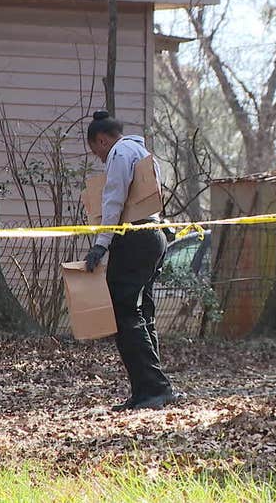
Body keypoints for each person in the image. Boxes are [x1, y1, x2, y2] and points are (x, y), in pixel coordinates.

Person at [83, 111, 184, 410]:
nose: (100, 158)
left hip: (135, 238)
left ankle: (153, 388)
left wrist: (101, 244)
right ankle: (150, 388)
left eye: (96, 151)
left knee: (124, 313)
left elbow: (113, 199)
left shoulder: (119, 153)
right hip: (154, 235)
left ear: (102, 140)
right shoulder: (144, 153)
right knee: (144, 313)